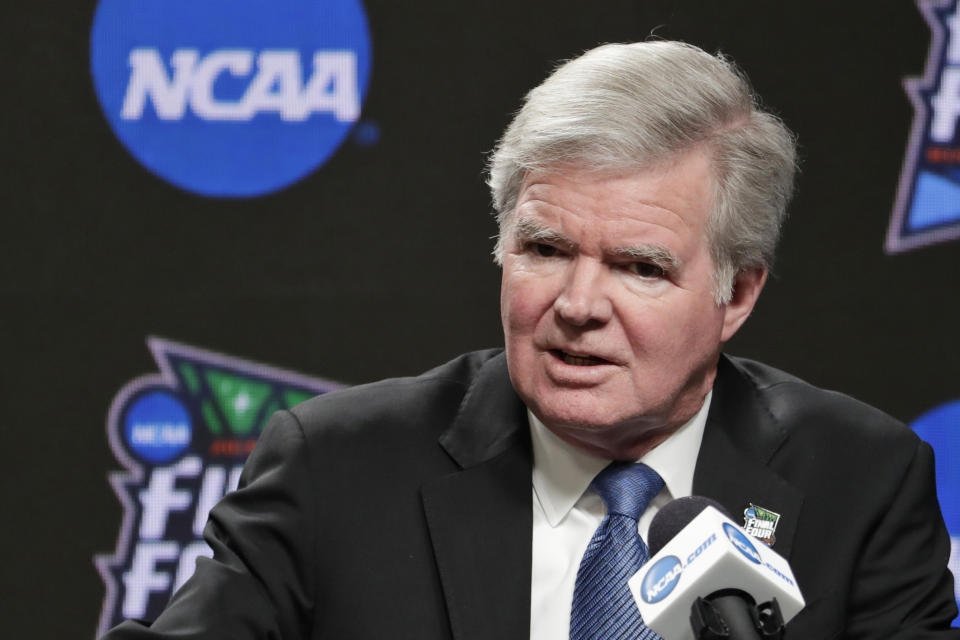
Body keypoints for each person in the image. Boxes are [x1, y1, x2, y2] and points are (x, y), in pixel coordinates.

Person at [103, 40, 959, 639]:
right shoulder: (338, 469)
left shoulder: (861, 482)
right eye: (545, 250)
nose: (578, 304)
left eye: (638, 267)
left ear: (736, 293)